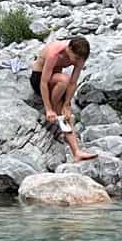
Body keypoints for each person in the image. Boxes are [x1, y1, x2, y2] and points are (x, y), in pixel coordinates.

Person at [31, 34, 98, 162]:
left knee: (66, 112)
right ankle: (55, 109)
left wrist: (67, 104)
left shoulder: (80, 56)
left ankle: (76, 152)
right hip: (39, 77)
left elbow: (73, 82)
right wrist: (48, 109)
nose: (77, 62)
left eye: (80, 59)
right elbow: (43, 82)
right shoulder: (54, 53)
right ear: (69, 49)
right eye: (76, 58)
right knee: (64, 80)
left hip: (55, 80)